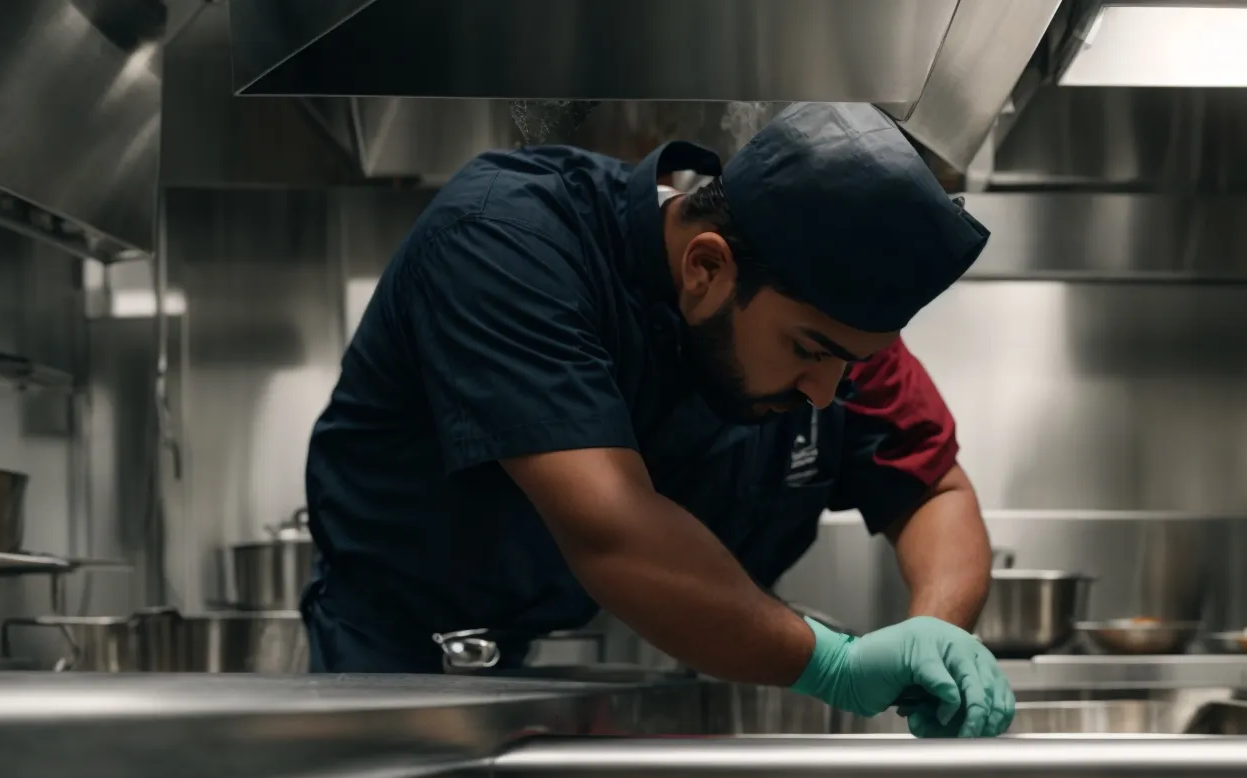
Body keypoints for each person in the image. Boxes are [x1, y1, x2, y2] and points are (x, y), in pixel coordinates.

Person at [303, 102, 1014, 737]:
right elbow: (616, 534)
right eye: (808, 351)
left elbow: (934, 490)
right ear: (707, 269)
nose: (826, 393)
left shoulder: (829, 330)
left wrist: (932, 638)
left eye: (850, 364)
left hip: (571, 683)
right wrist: (835, 666)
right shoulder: (507, 241)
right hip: (392, 675)